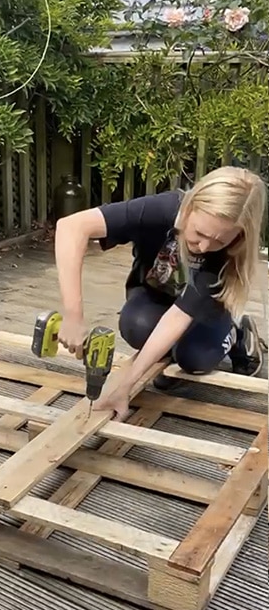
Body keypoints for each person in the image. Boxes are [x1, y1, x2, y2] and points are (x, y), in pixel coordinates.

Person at [54, 166, 267, 421]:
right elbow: (71, 227)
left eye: (220, 241)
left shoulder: (224, 253)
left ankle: (238, 332)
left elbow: (179, 316)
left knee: (195, 358)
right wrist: (73, 314)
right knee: (136, 326)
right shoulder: (162, 208)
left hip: (198, 310)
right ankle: (166, 351)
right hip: (156, 297)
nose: (205, 246)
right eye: (200, 233)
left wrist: (125, 387)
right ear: (189, 207)